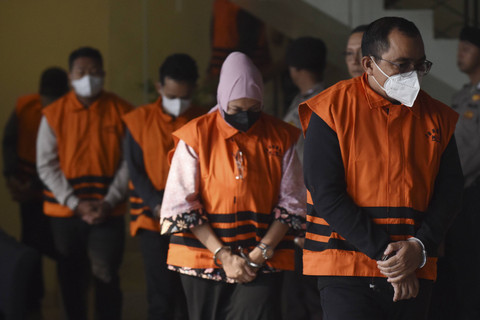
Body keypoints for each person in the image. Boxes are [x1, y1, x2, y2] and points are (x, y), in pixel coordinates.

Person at [299, 17, 463, 320]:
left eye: (419, 65)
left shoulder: (438, 117)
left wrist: (418, 247)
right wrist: (392, 259)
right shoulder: (330, 109)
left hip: (415, 265)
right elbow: (326, 192)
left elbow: (451, 189)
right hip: (345, 268)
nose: (411, 74)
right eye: (401, 65)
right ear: (368, 64)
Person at [160, 52, 306, 320]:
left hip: (263, 257)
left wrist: (258, 254)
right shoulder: (196, 135)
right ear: (222, 99)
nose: (246, 117)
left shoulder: (281, 136)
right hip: (202, 256)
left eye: (254, 110)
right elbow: (181, 204)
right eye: (237, 110)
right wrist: (224, 256)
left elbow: (292, 202)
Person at [36, 47, 133, 320]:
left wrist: (109, 200)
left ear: (103, 74)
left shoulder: (123, 111)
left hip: (108, 211)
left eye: (94, 72)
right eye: (81, 72)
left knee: (106, 275)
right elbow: (46, 164)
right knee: (70, 275)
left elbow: (131, 162)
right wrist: (75, 203)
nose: (88, 78)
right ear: (70, 77)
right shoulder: (53, 114)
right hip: (65, 213)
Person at [122, 53, 205, 320]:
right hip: (151, 219)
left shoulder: (204, 120)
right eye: (172, 96)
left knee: (190, 297)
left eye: (184, 97)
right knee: (160, 296)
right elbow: (135, 170)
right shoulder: (138, 121)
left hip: (195, 221)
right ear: (159, 87)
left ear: (194, 89)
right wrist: (158, 205)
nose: (179, 103)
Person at [2, 67, 68, 316]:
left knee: (63, 249)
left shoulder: (70, 113)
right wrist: (10, 176)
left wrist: (38, 190)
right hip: (25, 187)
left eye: (55, 98)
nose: (49, 104)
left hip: (58, 193)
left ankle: (68, 301)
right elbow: (9, 141)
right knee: (31, 245)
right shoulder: (25, 107)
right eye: (46, 98)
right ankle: (32, 301)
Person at [432, 25, 480, 320]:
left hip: (473, 195)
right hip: (459, 198)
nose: (460, 55)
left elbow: (470, 153)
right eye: (459, 47)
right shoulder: (464, 94)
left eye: (467, 49)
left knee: (471, 274)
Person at [281, 36, 327, 320]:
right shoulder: (307, 100)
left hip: (309, 211)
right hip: (301, 208)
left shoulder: (317, 103)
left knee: (308, 297)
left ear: (293, 68)